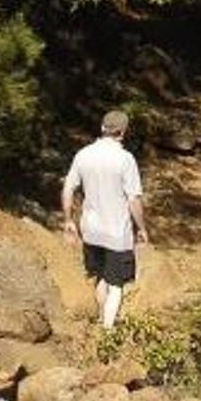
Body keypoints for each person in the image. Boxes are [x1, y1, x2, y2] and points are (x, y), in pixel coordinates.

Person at [62, 109, 148, 328]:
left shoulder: (83, 154)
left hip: (90, 230)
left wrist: (68, 220)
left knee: (99, 276)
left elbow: (68, 188)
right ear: (123, 132)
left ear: (102, 128)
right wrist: (142, 228)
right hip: (117, 232)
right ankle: (107, 332)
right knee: (116, 284)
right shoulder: (125, 159)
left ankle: (101, 317)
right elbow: (134, 199)